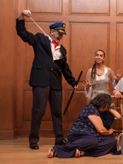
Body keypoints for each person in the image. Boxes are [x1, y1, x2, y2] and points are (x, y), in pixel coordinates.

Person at [16, 10, 77, 150]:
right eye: (59, 33)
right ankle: (33, 140)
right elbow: (23, 33)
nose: (61, 35)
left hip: (55, 83)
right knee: (38, 111)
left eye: (62, 33)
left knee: (57, 112)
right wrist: (21, 17)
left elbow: (64, 67)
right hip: (41, 81)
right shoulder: (40, 39)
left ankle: (60, 139)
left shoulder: (62, 49)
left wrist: (72, 82)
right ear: (52, 31)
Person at [47, 93, 121, 158]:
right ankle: (57, 149)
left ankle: (82, 152)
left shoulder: (101, 111)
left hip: (93, 136)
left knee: (111, 141)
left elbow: (119, 116)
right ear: (102, 103)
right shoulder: (91, 108)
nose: (107, 108)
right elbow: (101, 130)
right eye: (107, 105)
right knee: (92, 141)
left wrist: (110, 109)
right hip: (80, 134)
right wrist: (108, 132)